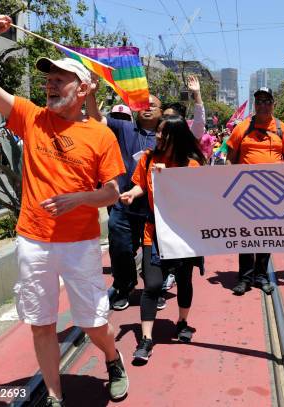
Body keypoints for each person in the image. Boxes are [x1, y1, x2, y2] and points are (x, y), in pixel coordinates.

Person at [0, 12, 130, 406]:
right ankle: (54, 395)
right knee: (41, 325)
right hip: (33, 241)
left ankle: (113, 358)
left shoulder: (100, 134)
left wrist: (79, 198)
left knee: (93, 323)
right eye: (48, 78)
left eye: (61, 78)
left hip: (79, 243)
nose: (50, 83)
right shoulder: (30, 117)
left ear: (83, 88)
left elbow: (112, 193)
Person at [119, 115, 206, 363]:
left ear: (176, 137)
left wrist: (169, 178)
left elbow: (195, 199)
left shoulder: (191, 165)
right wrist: (132, 194)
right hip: (153, 233)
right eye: (158, 131)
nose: (158, 136)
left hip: (182, 234)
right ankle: (146, 339)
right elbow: (140, 186)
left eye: (164, 133)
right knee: (152, 285)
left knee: (184, 280)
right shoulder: (147, 158)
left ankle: (181, 322)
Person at [226, 87, 284, 295]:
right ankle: (244, 278)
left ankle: (261, 275)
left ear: (274, 104)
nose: (263, 104)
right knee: (246, 236)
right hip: (245, 194)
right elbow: (230, 159)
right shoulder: (242, 128)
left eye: (267, 101)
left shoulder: (282, 129)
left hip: (273, 194)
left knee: (266, 237)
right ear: (255, 105)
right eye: (259, 101)